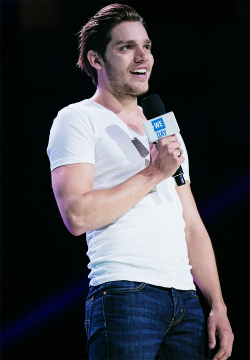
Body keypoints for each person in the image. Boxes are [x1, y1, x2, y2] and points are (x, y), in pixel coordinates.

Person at [47, 4, 234, 360]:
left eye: (146, 46)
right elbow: (76, 216)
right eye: (126, 47)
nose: (141, 56)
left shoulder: (162, 127)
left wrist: (218, 305)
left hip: (185, 301)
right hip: (125, 292)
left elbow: (191, 225)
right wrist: (153, 172)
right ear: (96, 59)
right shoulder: (77, 119)